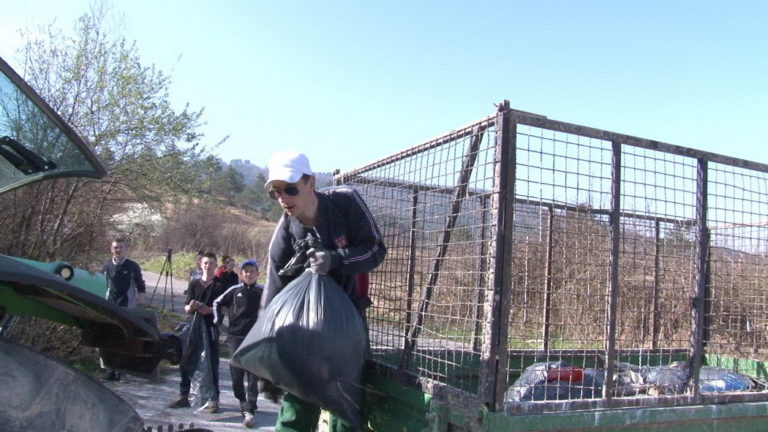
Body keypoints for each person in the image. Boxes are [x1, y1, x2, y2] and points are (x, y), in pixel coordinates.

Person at [262, 150, 387, 432]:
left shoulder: (345, 202)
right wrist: (266, 359)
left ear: (311, 183)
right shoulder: (285, 234)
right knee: (297, 406)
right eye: (276, 193)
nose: (283, 198)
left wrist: (336, 259)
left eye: (290, 189)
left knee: (346, 408)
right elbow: (272, 294)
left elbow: (375, 249)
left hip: (347, 325)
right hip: (304, 331)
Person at [168, 252, 227, 413]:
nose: (208, 266)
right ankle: (184, 396)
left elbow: (225, 309)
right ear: (201, 264)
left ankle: (213, 400)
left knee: (211, 364)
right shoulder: (194, 283)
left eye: (212, 263)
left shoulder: (220, 285)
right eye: (206, 263)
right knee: (186, 361)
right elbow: (186, 307)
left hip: (210, 328)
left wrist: (211, 310)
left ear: (216, 266)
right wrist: (192, 307)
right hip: (193, 327)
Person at [213, 259, 264, 428]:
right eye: (246, 271)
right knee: (236, 376)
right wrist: (219, 322)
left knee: (253, 375)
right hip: (235, 336)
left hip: (255, 338)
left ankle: (249, 408)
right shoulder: (234, 290)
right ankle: (242, 400)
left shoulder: (262, 291)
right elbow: (217, 303)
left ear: (257, 274)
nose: (249, 274)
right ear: (241, 274)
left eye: (252, 271)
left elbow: (275, 307)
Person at [101, 237, 146, 381]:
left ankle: (122, 370)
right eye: (116, 248)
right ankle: (110, 370)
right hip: (110, 306)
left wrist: (141, 298)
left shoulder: (132, 266)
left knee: (125, 337)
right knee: (109, 338)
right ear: (111, 249)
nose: (118, 250)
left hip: (127, 306)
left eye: (121, 247)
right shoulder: (107, 266)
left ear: (125, 249)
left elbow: (140, 284)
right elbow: (101, 283)